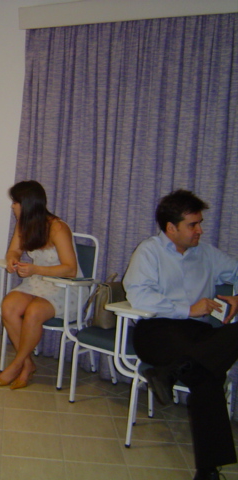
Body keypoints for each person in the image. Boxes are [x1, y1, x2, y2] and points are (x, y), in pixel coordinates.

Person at [123, 189, 238, 480]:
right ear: (171, 228)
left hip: (197, 334)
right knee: (209, 374)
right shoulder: (149, 251)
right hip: (157, 330)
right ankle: (209, 470)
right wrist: (187, 309)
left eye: (200, 223)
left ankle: (172, 371)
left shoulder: (207, 254)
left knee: (203, 373)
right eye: (193, 225)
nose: (200, 230)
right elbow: (139, 297)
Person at [0, 181, 84, 390]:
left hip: (64, 285)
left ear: (27, 204)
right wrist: (13, 260)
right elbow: (13, 250)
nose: (12, 206)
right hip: (37, 281)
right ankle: (27, 364)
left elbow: (70, 269)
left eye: (15, 202)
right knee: (8, 306)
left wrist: (35, 269)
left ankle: (16, 365)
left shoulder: (57, 228)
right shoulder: (23, 224)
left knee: (33, 312)